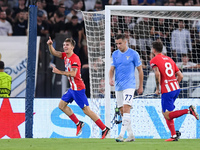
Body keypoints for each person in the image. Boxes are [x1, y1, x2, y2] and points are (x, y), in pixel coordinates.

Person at [47, 37, 110, 139]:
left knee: (87, 111)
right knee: (61, 106)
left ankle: (104, 128)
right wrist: (50, 45)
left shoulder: (74, 58)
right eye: (64, 45)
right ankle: (78, 123)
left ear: (72, 47)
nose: (65, 47)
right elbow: (54, 53)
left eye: (67, 45)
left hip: (78, 89)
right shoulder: (65, 56)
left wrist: (59, 72)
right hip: (72, 89)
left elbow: (73, 73)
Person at [150, 41, 199, 142]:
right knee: (167, 112)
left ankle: (189, 110)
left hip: (167, 90)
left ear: (153, 50)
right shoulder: (170, 59)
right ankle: (173, 136)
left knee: (167, 114)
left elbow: (157, 74)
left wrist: (158, 89)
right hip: (176, 88)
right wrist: (173, 84)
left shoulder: (154, 60)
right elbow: (180, 76)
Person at [109, 34, 144, 142]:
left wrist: (141, 86)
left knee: (126, 108)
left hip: (130, 85)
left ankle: (121, 135)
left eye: (120, 43)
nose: (118, 46)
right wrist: (110, 78)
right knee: (122, 112)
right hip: (118, 86)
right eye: (117, 44)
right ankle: (131, 135)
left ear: (125, 42)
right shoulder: (115, 54)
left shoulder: (133, 54)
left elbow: (140, 70)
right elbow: (111, 69)